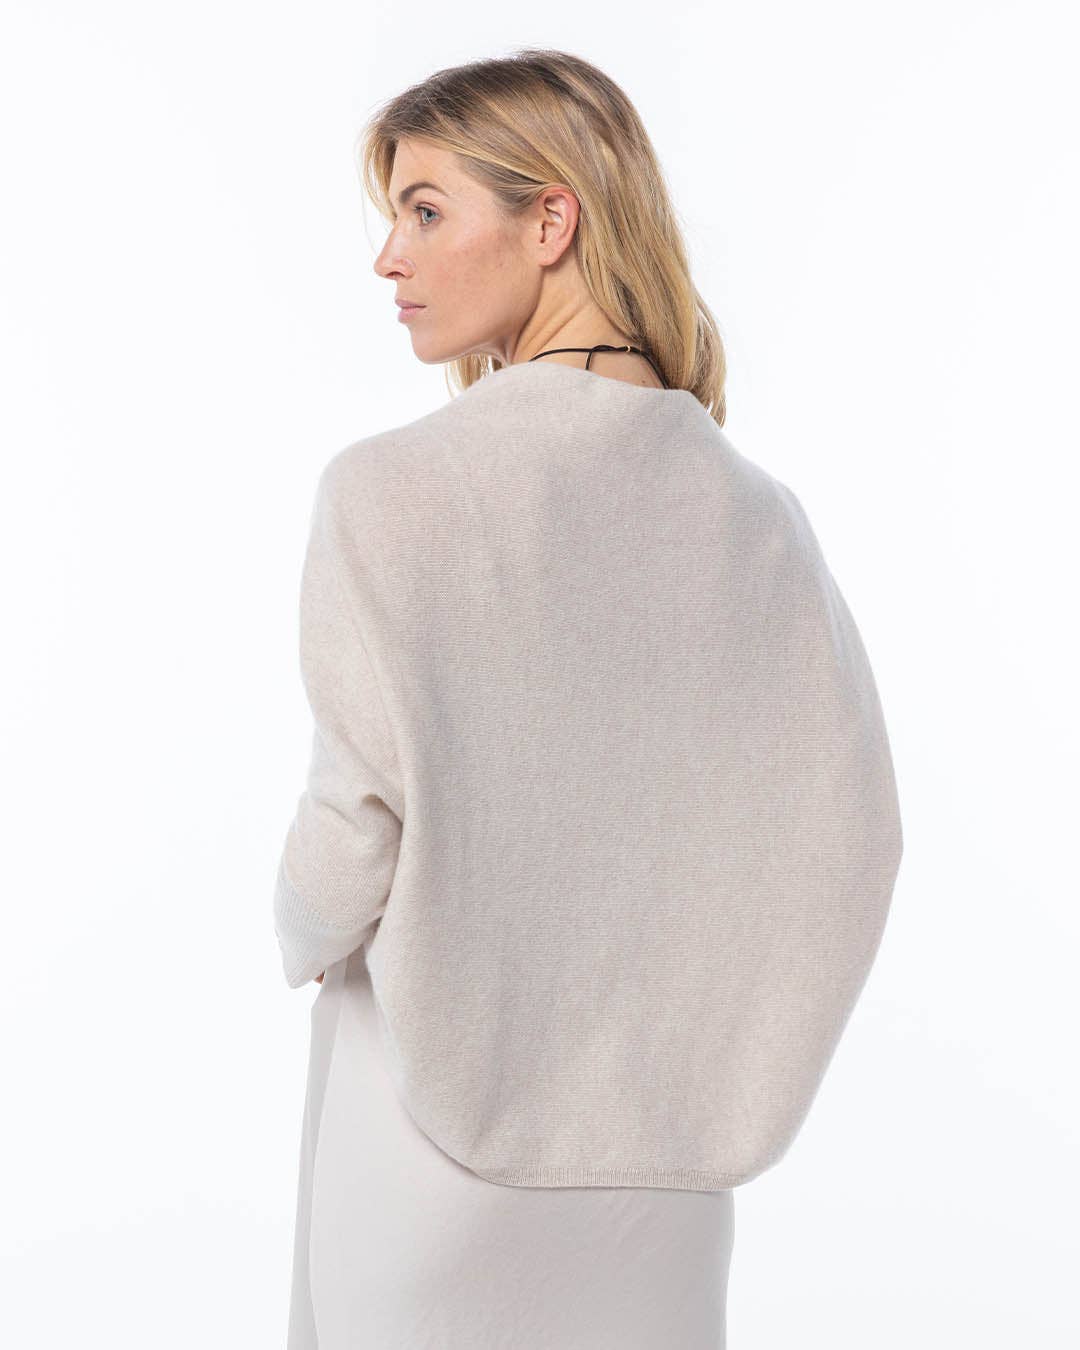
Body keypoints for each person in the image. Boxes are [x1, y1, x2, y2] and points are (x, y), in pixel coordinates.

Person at [273, 49, 902, 1350]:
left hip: (429, 1135)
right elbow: (854, 833)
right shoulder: (760, 520)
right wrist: (734, 1054)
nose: (389, 258)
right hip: (667, 1183)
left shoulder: (390, 488)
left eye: (426, 210)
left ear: (550, 220)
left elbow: (354, 824)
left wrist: (301, 927)